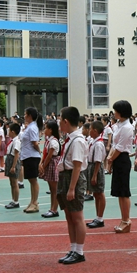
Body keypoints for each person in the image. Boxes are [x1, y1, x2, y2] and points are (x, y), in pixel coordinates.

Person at [56, 106, 89, 264]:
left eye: (60, 120)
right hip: (65, 176)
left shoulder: (77, 141)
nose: (59, 123)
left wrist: (71, 189)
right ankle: (73, 248)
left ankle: (80, 251)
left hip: (72, 178)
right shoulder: (70, 138)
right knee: (69, 216)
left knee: (77, 216)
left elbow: (77, 166)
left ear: (66, 121)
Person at [107, 101, 136, 234]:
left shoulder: (127, 127)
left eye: (116, 110)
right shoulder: (118, 125)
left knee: (124, 192)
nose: (114, 113)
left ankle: (127, 220)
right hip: (117, 158)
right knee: (119, 192)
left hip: (122, 158)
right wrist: (110, 158)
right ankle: (123, 219)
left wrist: (111, 159)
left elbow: (120, 147)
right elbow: (114, 144)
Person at [20, 107, 42, 214]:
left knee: (33, 180)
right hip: (27, 156)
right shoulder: (29, 127)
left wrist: (39, 152)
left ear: (29, 115)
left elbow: (35, 142)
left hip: (32, 156)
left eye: (25, 114)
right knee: (31, 180)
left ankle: (35, 202)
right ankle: (32, 201)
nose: (24, 116)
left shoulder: (33, 127)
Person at [39, 121, 62, 218]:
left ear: (51, 130)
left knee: (55, 189)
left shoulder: (53, 141)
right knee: (52, 189)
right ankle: (52, 208)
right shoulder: (49, 140)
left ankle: (54, 209)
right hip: (49, 163)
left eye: (46, 128)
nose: (44, 130)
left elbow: (49, 156)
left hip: (52, 163)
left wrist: (43, 166)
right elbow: (45, 154)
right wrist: (41, 163)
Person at [3, 122, 23, 209]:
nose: (8, 132)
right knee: (11, 182)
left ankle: (16, 201)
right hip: (9, 159)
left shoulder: (17, 142)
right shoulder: (12, 141)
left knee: (14, 182)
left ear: (13, 131)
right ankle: (13, 199)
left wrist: (13, 166)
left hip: (13, 161)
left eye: (9, 130)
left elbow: (16, 154)